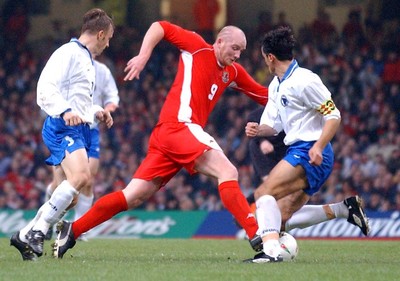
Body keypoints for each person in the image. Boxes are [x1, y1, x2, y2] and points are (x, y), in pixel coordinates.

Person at [52, 20, 269, 258]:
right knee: (228, 172)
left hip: (170, 136)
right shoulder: (197, 47)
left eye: (241, 51)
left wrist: (304, 101)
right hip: (179, 127)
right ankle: (257, 236)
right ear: (220, 41)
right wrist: (144, 56)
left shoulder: (232, 72)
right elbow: (160, 26)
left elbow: (263, 95)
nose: (237, 54)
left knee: (132, 196)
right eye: (234, 47)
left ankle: (72, 231)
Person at [244, 26, 370, 263]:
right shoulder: (276, 85)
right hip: (301, 151)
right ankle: (345, 209)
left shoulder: (305, 80)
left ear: (270, 57)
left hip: (309, 150)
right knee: (280, 216)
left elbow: (333, 115)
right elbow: (276, 126)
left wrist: (319, 145)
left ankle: (271, 253)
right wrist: (259, 129)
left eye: (264, 58)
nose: (265, 63)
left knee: (263, 193)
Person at [10, 8, 114, 261]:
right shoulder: (68, 53)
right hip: (60, 125)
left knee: (70, 196)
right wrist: (65, 110)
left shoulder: (85, 58)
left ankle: (25, 234)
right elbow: (45, 86)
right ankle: (38, 230)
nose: (109, 43)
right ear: (100, 34)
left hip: (78, 126)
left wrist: (97, 110)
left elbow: (77, 100)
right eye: (109, 37)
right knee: (81, 176)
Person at [44, 57, 120, 240]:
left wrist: (107, 109)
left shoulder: (102, 71)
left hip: (90, 130)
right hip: (65, 127)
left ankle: (79, 229)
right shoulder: (68, 64)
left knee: (88, 178)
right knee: (62, 182)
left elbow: (112, 98)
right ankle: (47, 219)